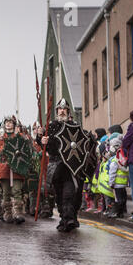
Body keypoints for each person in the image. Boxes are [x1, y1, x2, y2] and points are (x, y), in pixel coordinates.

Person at [39, 98, 94, 232]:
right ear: (57, 111)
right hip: (57, 166)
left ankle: (70, 218)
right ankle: (64, 219)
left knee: (69, 194)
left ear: (68, 111)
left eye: (64, 109)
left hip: (71, 167)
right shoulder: (51, 126)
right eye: (60, 109)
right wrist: (42, 140)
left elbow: (82, 143)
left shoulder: (75, 125)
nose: (62, 111)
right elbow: (49, 149)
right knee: (59, 195)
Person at [0, 116, 26, 224]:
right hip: (4, 166)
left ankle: (18, 213)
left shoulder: (20, 137)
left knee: (17, 191)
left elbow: (26, 151)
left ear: (14, 124)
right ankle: (8, 213)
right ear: (4, 124)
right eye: (7, 122)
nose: (8, 124)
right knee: (6, 192)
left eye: (10, 122)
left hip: (16, 166)